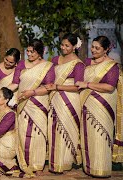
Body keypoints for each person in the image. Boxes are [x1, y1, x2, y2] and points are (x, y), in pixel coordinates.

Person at [75, 36, 120, 177]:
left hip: (104, 103)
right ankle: (89, 168)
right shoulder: (88, 62)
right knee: (88, 134)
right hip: (87, 102)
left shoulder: (112, 65)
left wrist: (87, 85)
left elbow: (109, 86)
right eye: (92, 47)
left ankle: (101, 169)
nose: (93, 50)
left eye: (97, 48)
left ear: (106, 49)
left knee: (101, 135)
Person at [9, 39, 55, 172]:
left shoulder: (48, 66)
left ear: (40, 52)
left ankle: (37, 164)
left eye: (32, 52)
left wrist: (32, 92)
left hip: (38, 102)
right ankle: (24, 161)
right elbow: (15, 83)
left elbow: (49, 87)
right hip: (23, 102)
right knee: (23, 132)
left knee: (38, 133)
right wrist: (1, 91)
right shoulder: (22, 64)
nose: (29, 54)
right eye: (27, 51)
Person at [45, 33, 85, 173]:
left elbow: (77, 86)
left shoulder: (78, 64)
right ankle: (54, 162)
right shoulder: (56, 59)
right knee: (53, 128)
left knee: (66, 129)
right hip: (54, 97)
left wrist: (57, 87)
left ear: (74, 47)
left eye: (67, 45)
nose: (63, 48)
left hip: (69, 98)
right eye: (62, 45)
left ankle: (65, 162)